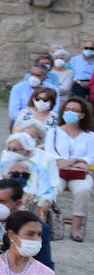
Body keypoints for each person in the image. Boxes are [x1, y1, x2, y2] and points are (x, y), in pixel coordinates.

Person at [47, 96, 94, 241]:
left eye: (74, 110)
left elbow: (91, 156)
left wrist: (75, 161)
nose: (70, 113)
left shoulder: (90, 136)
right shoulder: (54, 132)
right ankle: (52, 224)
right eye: (67, 109)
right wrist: (74, 161)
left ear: (82, 115)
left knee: (83, 190)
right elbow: (50, 154)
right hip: (58, 172)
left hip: (79, 173)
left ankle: (75, 228)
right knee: (53, 189)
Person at [0, 134, 54, 222]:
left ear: (28, 151)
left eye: (15, 150)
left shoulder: (40, 170)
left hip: (29, 212)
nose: (11, 153)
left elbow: (46, 196)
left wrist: (30, 203)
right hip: (1, 208)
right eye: (9, 149)